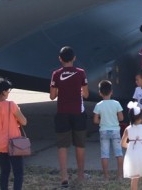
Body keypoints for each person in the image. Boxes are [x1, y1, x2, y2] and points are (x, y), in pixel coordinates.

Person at [50, 46, 89, 188]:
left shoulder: (56, 74)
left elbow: (52, 96)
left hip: (62, 112)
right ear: (74, 58)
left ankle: (64, 177)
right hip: (78, 112)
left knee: (62, 145)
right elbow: (86, 94)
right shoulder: (81, 73)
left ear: (60, 59)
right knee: (80, 144)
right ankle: (80, 174)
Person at [93, 80, 124, 179]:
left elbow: (95, 120)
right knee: (119, 153)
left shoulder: (98, 105)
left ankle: (106, 176)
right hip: (115, 131)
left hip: (104, 131)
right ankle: (119, 175)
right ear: (112, 92)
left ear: (100, 93)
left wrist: (102, 121)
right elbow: (121, 118)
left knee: (105, 154)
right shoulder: (116, 103)